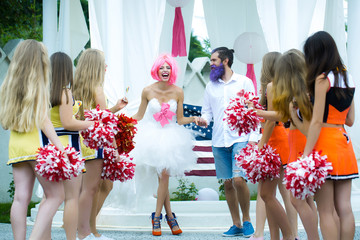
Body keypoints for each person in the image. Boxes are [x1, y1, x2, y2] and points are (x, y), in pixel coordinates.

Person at [0, 39, 65, 240]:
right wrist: (61, 148)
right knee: (56, 195)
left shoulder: (7, 85)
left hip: (16, 146)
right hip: (37, 146)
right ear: (40, 60)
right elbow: (44, 121)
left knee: (20, 198)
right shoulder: (36, 83)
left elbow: (4, 122)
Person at [255, 49, 319, 240]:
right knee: (305, 198)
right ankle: (294, 236)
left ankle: (291, 235)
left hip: (287, 142)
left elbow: (277, 118)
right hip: (303, 141)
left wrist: (260, 143)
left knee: (276, 195)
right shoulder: (309, 87)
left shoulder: (275, 86)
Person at [132, 54, 198, 236]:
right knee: (163, 179)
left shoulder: (178, 91)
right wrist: (120, 120)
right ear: (156, 70)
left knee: (164, 175)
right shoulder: (147, 91)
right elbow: (138, 116)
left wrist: (194, 119)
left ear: (172, 71)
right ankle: (170, 217)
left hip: (171, 138)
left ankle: (156, 218)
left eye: (168, 67)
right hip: (151, 138)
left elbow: (180, 119)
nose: (165, 70)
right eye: (162, 67)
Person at [197, 47, 258, 237]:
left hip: (241, 138)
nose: (211, 64)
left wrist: (254, 139)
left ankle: (247, 220)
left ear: (225, 61)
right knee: (228, 183)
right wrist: (203, 119)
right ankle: (236, 224)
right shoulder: (210, 86)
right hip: (218, 140)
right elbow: (206, 112)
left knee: (239, 180)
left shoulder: (244, 82)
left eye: (214, 60)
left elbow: (253, 111)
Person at [302, 31, 358, 240]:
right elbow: (351, 120)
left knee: (325, 210)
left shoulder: (322, 79)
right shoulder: (348, 77)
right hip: (344, 142)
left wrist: (306, 154)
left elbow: (316, 121)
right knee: (345, 208)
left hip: (324, 145)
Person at [73, 48, 127, 240]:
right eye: (103, 63)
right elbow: (105, 123)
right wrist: (114, 149)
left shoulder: (76, 89)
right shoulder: (98, 89)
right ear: (96, 66)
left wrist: (115, 108)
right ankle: (87, 231)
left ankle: (88, 229)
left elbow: (81, 117)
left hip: (81, 142)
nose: (106, 66)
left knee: (92, 188)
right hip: (96, 144)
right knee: (94, 188)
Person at [250, 52, 298, 240]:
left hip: (274, 140)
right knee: (285, 194)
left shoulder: (270, 86)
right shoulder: (288, 85)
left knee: (267, 194)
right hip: (286, 138)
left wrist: (260, 146)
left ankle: (284, 235)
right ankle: (290, 234)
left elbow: (270, 121)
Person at [49, 52, 95, 240]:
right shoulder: (65, 92)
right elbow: (68, 122)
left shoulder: (45, 91)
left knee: (50, 198)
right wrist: (92, 124)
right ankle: (70, 239)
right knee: (71, 198)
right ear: (68, 69)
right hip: (69, 148)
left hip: (50, 147)